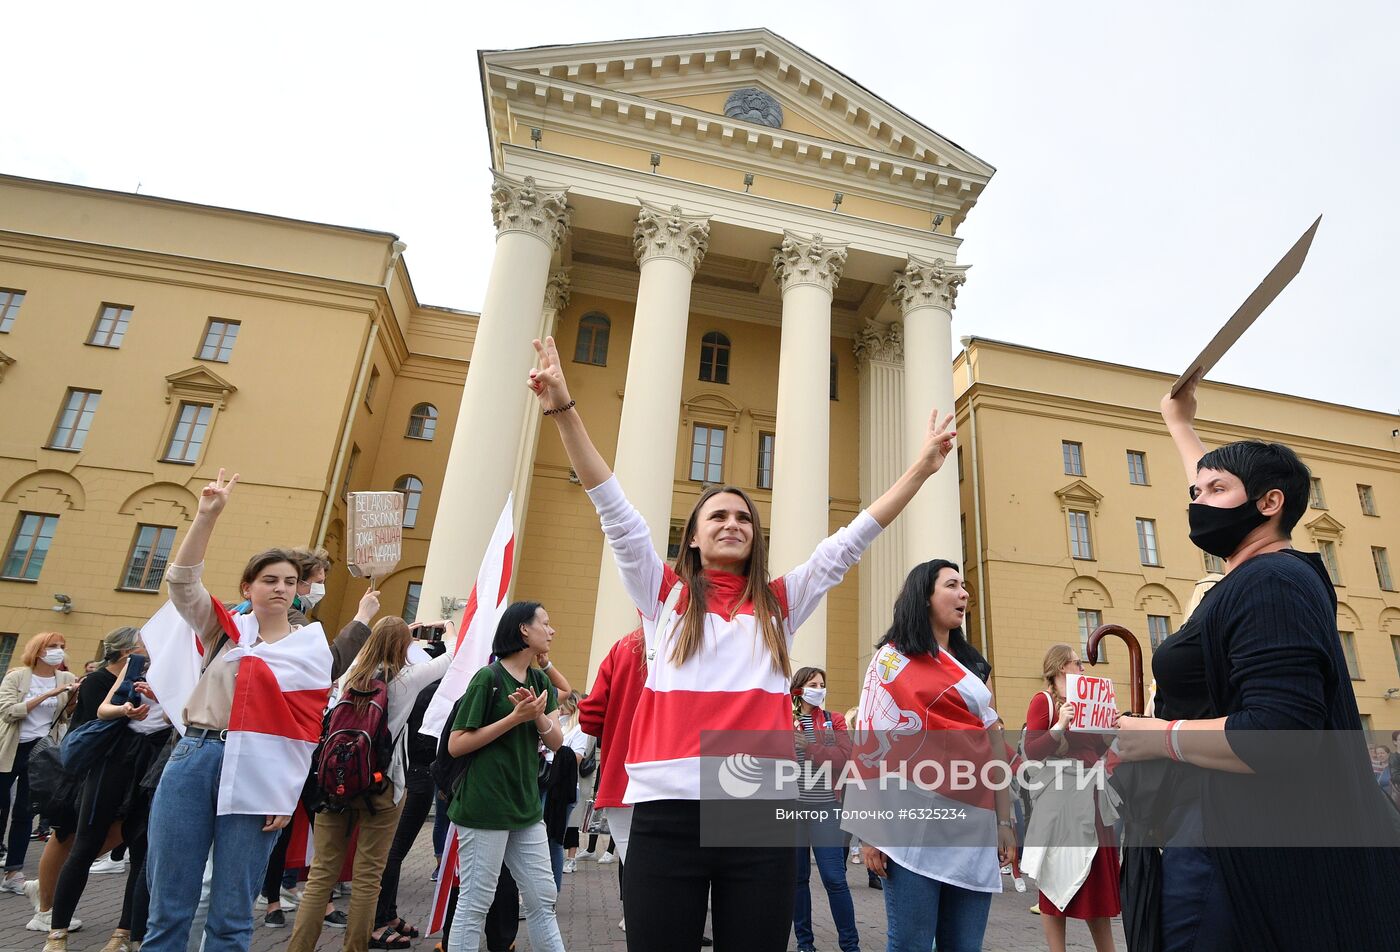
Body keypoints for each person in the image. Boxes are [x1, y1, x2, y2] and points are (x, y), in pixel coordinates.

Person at [529, 333, 957, 950]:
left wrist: (920, 468)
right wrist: (563, 409)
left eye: (743, 518)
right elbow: (612, 505)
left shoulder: (781, 603)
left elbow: (854, 538)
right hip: (667, 811)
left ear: (754, 537)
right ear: (695, 539)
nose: (733, 523)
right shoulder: (665, 596)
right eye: (718, 517)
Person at [1113, 373, 1400, 951]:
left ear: (1271, 504)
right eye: (1196, 493)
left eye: (1213, 491)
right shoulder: (1255, 574)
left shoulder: (1272, 583)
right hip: (1223, 837)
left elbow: (1277, 734)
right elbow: (1224, 486)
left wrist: (1158, 736)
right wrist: (1179, 423)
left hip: (1239, 862)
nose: (1197, 503)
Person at [138, 469, 333, 952]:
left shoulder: (311, 650)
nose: (281, 588)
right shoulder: (226, 631)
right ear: (248, 587)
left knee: (230, 917)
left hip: (260, 773)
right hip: (196, 756)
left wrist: (285, 795)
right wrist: (207, 515)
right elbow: (182, 584)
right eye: (269, 579)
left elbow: (306, 731)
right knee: (168, 909)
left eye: (290, 581)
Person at [852, 559, 1017, 952]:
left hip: (973, 825)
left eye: (964, 587)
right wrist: (870, 832)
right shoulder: (891, 660)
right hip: (909, 826)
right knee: (910, 945)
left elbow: (993, 742)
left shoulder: (973, 665)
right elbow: (870, 741)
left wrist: (1005, 821)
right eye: (952, 585)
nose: (964, 594)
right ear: (924, 597)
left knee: (964, 946)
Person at [287, 615, 452, 952]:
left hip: (336, 782)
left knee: (321, 876)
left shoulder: (351, 675)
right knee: (367, 878)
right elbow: (451, 657)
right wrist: (447, 629)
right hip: (383, 785)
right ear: (405, 645)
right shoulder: (407, 678)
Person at [444, 601, 566, 952]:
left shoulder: (540, 679)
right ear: (523, 630)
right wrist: (513, 718)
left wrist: (537, 716)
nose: (552, 630)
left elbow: (556, 742)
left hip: (526, 806)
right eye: (545, 622)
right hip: (485, 805)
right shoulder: (489, 677)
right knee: (475, 904)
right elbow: (456, 744)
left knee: (544, 899)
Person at [46, 630, 174, 952]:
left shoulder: (186, 668)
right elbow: (104, 709)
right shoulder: (137, 665)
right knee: (85, 842)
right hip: (116, 756)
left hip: (156, 759)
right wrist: (125, 710)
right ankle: (56, 933)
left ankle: (123, 934)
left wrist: (164, 700)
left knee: (142, 850)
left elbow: (188, 719)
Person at [1021, 644, 1118, 952]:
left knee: (1096, 884)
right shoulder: (1045, 701)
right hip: (1062, 801)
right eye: (1079, 662)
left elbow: (1094, 751)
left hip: (1091, 794)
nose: (1084, 668)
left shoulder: (1089, 700)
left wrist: (1109, 732)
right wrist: (1060, 725)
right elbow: (1032, 751)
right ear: (1062, 666)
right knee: (1054, 876)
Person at [371, 660, 445, 947]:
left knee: (395, 851)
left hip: (410, 773)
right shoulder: (435, 692)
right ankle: (378, 920)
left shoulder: (413, 687)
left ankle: (388, 914)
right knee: (394, 852)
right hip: (416, 774)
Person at [0, 633, 78, 894]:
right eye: (52, 646)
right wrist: (48, 695)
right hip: (11, 748)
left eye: (61, 647)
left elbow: (65, 717)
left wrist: (74, 698)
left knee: (25, 812)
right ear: (38, 649)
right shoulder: (17, 677)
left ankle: (14, 872)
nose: (58, 651)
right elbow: (9, 712)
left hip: (41, 751)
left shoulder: (66, 679)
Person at [789, 666, 858, 952]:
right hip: (792, 809)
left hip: (826, 806)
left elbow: (843, 758)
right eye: (813, 684)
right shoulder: (783, 719)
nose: (819, 689)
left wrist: (811, 746)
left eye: (821, 684)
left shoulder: (835, 720)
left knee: (834, 877)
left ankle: (850, 945)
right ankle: (805, 944)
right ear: (798, 689)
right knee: (797, 879)